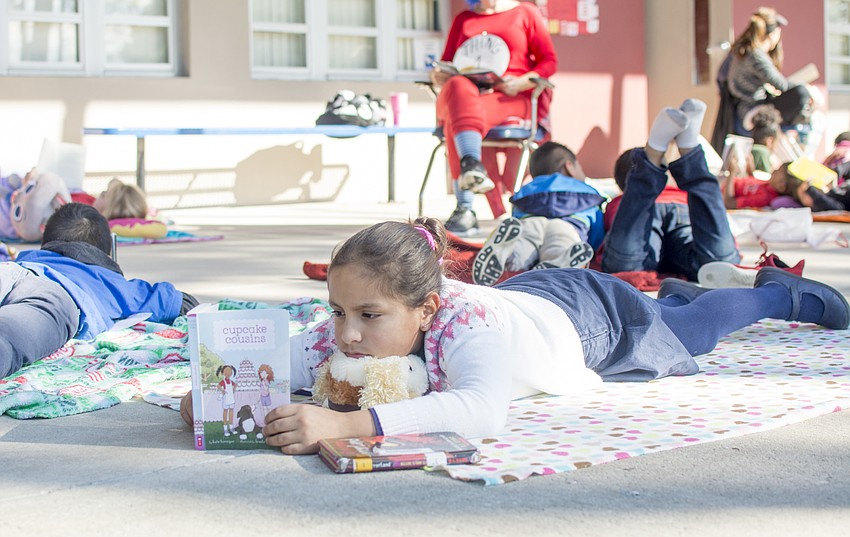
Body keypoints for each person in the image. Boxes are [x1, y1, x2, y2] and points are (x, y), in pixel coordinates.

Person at [180, 216, 849, 455]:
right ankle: (679, 291)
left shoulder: (466, 321)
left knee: (697, 330)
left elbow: (481, 409)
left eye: (368, 315)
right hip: (526, 300)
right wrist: (212, 397)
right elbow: (285, 357)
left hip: (589, 317)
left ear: (426, 307)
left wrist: (343, 425)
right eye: (337, 310)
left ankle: (777, 292)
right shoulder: (356, 326)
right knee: (682, 311)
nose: (346, 334)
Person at [0, 203, 198, 378]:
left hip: (12, 270)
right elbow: (177, 302)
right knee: (7, 342)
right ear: (106, 252)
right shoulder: (110, 281)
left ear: (47, 242)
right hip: (56, 298)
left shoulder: (31, 258)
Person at [431, 0, 557, 236]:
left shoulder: (525, 13)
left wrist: (523, 81)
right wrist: (439, 75)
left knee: (457, 116)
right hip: (468, 95)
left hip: (510, 97)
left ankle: (465, 207)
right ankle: (472, 163)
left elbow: (549, 60)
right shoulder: (463, 19)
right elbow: (447, 62)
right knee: (457, 87)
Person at [600, 99, 741, 281]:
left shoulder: (621, 201)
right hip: (681, 206)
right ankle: (689, 149)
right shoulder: (676, 192)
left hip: (643, 205)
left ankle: (652, 154)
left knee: (624, 268)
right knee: (719, 264)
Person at [471, 141, 603, 286]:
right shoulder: (586, 190)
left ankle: (508, 254)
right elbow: (597, 230)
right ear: (569, 166)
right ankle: (557, 264)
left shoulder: (527, 189)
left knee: (523, 246)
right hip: (567, 225)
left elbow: (515, 217)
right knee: (560, 248)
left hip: (530, 221)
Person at [725, 7, 813, 136]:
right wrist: (809, 92)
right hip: (753, 112)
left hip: (743, 110)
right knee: (802, 93)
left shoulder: (742, 52)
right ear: (772, 35)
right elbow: (782, 85)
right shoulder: (756, 55)